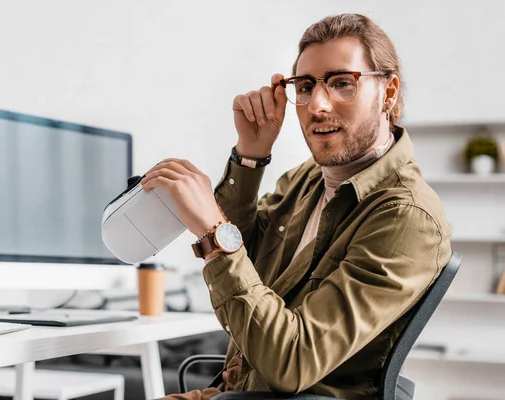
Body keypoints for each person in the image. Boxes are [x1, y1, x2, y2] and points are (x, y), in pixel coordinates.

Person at [141, 13, 452, 400]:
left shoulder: (407, 217)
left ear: (387, 94)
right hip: (235, 390)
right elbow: (245, 267)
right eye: (305, 87)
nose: (317, 105)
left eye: (342, 83)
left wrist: (213, 231)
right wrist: (251, 156)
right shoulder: (309, 178)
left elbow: (291, 362)